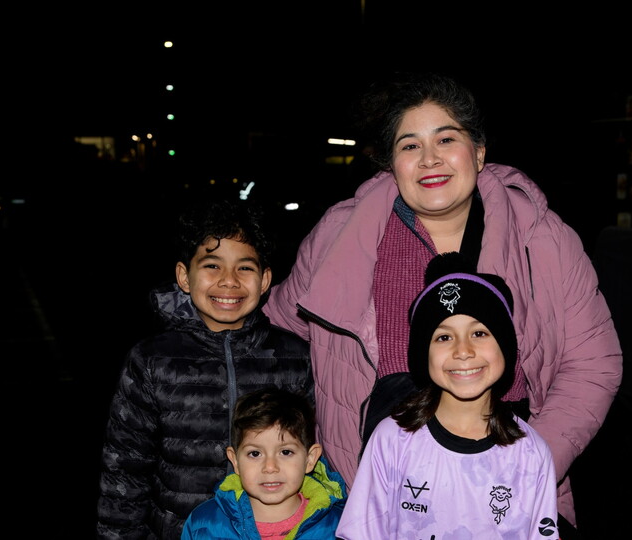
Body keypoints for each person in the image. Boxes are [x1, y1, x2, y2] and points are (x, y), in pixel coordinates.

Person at [262, 71, 623, 531]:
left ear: (479, 150)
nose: (429, 158)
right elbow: (277, 328)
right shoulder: (341, 234)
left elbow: (594, 364)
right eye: (409, 145)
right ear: (391, 164)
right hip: (374, 504)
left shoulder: (543, 239)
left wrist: (527, 471)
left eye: (446, 138)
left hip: (506, 507)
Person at [97, 199, 314, 540]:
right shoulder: (152, 359)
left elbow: (315, 456)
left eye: (245, 268)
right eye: (212, 266)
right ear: (184, 276)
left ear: (265, 279)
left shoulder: (295, 358)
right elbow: (125, 470)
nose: (229, 281)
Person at [335, 253, 560, 539]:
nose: (463, 351)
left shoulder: (531, 453)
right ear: (422, 356)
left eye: (479, 333)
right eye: (443, 337)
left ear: (505, 347)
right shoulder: (392, 440)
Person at [181, 387, 346, 539]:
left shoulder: (339, 528)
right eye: (255, 453)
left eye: (286, 452)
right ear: (235, 461)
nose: (270, 467)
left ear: (310, 459)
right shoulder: (202, 525)